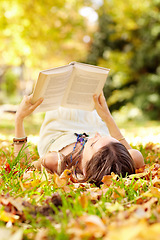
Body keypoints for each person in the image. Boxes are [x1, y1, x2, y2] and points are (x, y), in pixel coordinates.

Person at [14, 92, 144, 186]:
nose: (97, 135)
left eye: (94, 143)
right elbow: (127, 153)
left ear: (87, 169)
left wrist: (19, 119)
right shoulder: (128, 158)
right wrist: (106, 116)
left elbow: (24, 167)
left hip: (60, 129)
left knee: (64, 95)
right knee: (87, 93)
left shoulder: (57, 161)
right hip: (92, 125)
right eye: (108, 138)